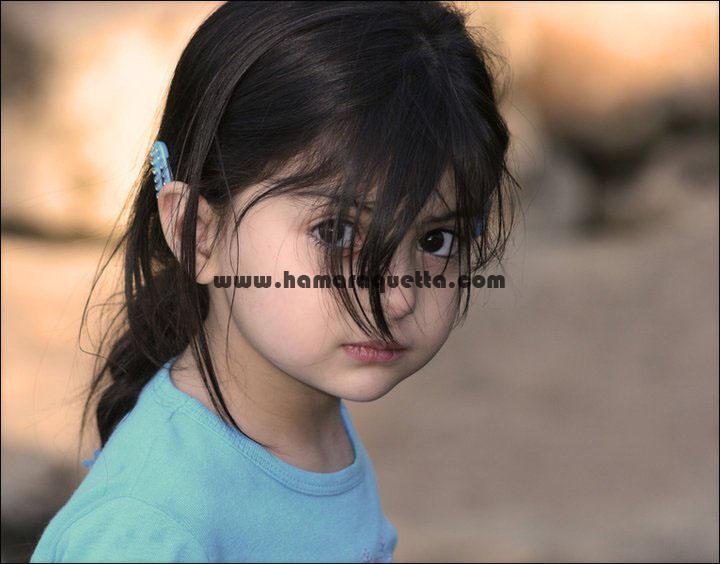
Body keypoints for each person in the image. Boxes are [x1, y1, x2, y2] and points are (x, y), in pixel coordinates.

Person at [30, 1, 516, 561]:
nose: (399, 295)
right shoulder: (145, 531)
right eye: (336, 232)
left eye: (437, 240)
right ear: (198, 234)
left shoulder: (308, 423)